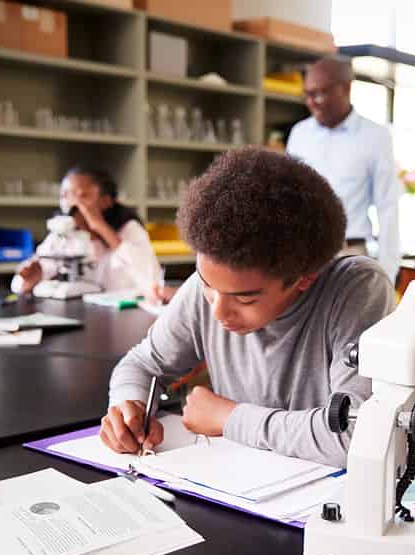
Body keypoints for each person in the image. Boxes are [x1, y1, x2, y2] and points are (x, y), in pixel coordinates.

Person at [101, 148, 396, 465]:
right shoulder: (211, 287)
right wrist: (128, 404)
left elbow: (357, 434)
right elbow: (142, 364)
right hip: (234, 481)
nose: (218, 312)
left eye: (245, 299)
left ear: (304, 279)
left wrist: (229, 418)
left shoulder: (357, 288)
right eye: (207, 285)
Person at [286, 57, 402, 284]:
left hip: (350, 255)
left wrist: (388, 269)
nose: (313, 102)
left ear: (346, 88)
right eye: (308, 94)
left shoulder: (375, 137)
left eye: (321, 93)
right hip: (303, 255)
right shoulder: (299, 134)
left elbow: (387, 206)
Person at [12, 167, 161, 295]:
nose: (71, 202)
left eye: (82, 195)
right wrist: (31, 277)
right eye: (65, 195)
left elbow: (151, 277)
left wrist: (100, 227)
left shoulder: (129, 229)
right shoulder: (63, 233)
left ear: (106, 201)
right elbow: (19, 284)